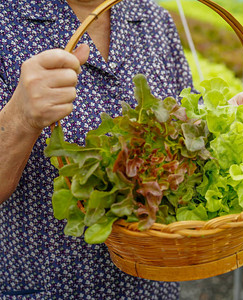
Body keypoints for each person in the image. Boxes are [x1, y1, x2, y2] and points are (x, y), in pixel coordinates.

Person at [0, 0, 199, 298]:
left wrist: (219, 126)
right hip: (51, 285)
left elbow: (186, 124)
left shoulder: (153, 18)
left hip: (150, 285)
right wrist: (21, 117)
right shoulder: (8, 21)